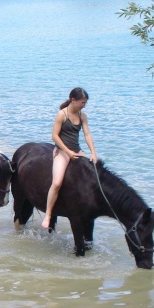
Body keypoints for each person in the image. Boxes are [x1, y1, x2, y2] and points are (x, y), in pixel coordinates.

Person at [43, 87, 98, 229]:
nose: (84, 105)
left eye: (85, 103)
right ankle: (48, 215)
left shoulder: (82, 116)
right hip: (62, 151)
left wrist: (93, 153)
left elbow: (87, 135)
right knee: (56, 183)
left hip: (77, 150)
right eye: (82, 102)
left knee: (94, 175)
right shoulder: (62, 115)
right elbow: (54, 136)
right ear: (73, 100)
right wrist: (67, 152)